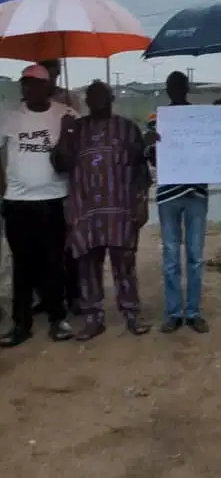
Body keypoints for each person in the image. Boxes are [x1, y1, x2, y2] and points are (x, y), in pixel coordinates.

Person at [53, 80, 151, 340]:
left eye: (101, 96)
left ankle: (131, 313)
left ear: (111, 100)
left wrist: (141, 202)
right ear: (86, 102)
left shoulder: (127, 128)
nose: (96, 101)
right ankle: (93, 318)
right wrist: (65, 134)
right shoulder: (76, 129)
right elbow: (60, 165)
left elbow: (141, 169)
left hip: (121, 210)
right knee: (87, 266)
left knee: (125, 264)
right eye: (92, 97)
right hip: (86, 210)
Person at [0, 64, 76, 348]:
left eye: (33, 83)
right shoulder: (8, 115)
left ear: (47, 87)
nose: (28, 88)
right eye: (25, 83)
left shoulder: (65, 113)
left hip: (54, 200)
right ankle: (21, 324)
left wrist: (68, 130)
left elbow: (74, 154)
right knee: (22, 265)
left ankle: (58, 319)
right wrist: (3, 189)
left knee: (54, 262)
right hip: (18, 202)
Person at [147, 71, 210, 334]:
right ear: (167, 90)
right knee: (171, 255)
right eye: (173, 86)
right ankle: (174, 313)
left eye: (180, 86)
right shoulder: (157, 120)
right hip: (169, 194)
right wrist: (151, 145)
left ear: (186, 88)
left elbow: (211, 149)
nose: (177, 90)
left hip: (196, 192)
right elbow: (151, 159)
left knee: (195, 256)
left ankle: (193, 312)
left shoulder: (201, 119)